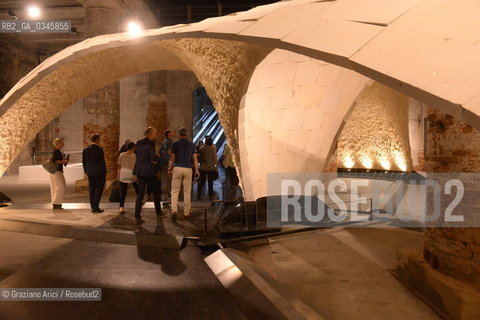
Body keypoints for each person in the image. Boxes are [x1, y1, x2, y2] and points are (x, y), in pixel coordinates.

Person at [169, 127, 199, 220]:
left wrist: (169, 169)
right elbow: (194, 160)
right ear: (186, 134)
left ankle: (174, 210)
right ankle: (186, 212)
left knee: (175, 191)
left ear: (179, 134)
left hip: (177, 168)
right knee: (187, 192)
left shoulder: (175, 144)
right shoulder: (192, 145)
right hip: (188, 169)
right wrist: (197, 170)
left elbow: (172, 158)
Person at [133, 127, 161, 223]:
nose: (155, 135)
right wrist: (158, 158)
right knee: (156, 192)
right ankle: (158, 213)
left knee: (140, 194)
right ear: (150, 134)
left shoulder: (138, 142)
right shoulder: (151, 144)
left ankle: (137, 216)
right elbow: (152, 158)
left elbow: (136, 155)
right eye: (155, 133)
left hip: (140, 170)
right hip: (149, 171)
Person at [82, 134, 107, 213]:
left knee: (92, 189)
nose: (100, 141)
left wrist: (86, 171)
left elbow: (84, 162)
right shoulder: (99, 150)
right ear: (97, 140)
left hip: (90, 172)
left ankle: (92, 206)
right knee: (99, 189)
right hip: (99, 172)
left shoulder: (85, 150)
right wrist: (105, 171)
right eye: (99, 139)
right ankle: (96, 206)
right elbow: (101, 162)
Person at [117, 141, 138, 213]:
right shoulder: (135, 156)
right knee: (138, 190)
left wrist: (118, 176)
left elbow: (119, 166)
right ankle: (139, 202)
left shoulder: (121, 155)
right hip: (133, 175)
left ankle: (121, 207)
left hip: (123, 176)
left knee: (123, 193)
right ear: (133, 148)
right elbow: (136, 167)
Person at [49, 138, 69, 210]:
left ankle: (56, 203)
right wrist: (64, 161)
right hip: (55, 171)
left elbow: (60, 161)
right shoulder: (56, 151)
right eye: (60, 142)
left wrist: (65, 161)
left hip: (57, 171)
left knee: (57, 186)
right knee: (60, 186)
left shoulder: (59, 152)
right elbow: (56, 161)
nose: (62, 143)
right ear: (57, 144)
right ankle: (56, 203)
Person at [197, 136, 217, 200]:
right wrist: (216, 166)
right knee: (210, 182)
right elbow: (215, 158)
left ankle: (198, 194)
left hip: (202, 168)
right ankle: (210, 195)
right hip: (210, 168)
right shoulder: (213, 148)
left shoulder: (203, 148)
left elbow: (199, 154)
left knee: (202, 181)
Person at [159, 129, 174, 201]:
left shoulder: (164, 141)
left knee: (164, 178)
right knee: (168, 179)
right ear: (168, 134)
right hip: (167, 162)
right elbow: (169, 152)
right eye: (171, 132)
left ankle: (163, 194)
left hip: (162, 162)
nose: (172, 133)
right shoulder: (170, 141)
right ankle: (166, 195)